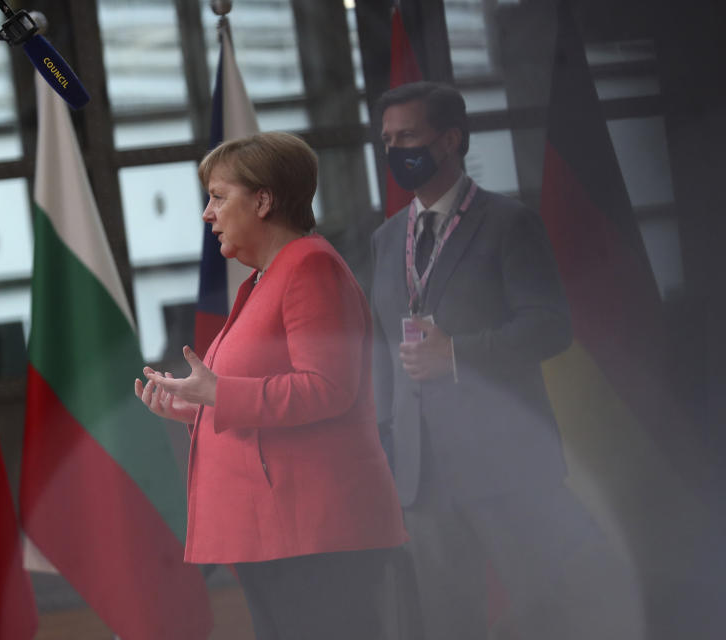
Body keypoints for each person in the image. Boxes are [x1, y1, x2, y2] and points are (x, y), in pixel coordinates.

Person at [371, 81, 642, 639]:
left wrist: (457, 354)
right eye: (388, 139)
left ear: (450, 140)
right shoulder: (385, 239)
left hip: (505, 465)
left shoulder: (508, 223)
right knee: (447, 623)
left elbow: (550, 327)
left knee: (544, 611)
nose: (397, 150)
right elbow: (381, 351)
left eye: (409, 136)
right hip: (422, 476)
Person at [135, 131, 407, 640]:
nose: (206, 214)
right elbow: (253, 395)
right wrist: (192, 405)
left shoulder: (310, 266)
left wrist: (217, 393)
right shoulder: (264, 277)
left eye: (218, 196)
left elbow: (327, 388)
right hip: (275, 532)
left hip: (316, 531)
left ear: (263, 200)